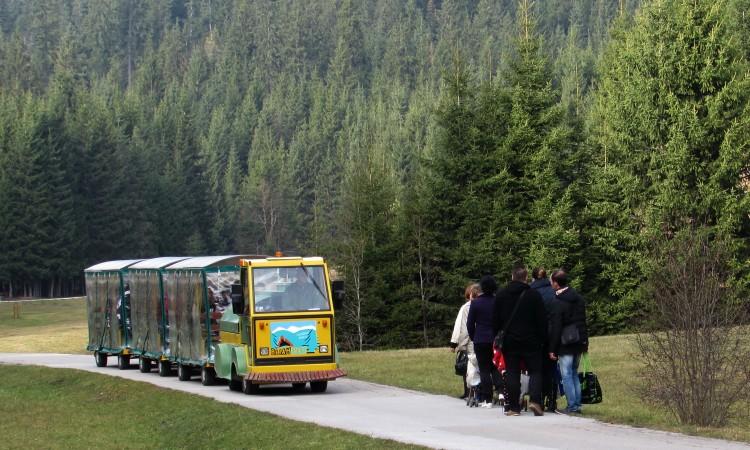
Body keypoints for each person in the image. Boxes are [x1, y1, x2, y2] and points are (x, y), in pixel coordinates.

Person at [493, 266, 547, 416]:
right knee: (535, 371)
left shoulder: (502, 295)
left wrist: (498, 336)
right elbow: (542, 320)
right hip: (531, 339)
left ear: (512, 277)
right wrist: (542, 338)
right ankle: (535, 401)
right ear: (526, 278)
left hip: (510, 340)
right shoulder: (533, 295)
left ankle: (514, 407)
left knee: (512, 372)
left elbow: (495, 320)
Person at [548, 269, 589, 414]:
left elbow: (556, 327)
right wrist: (585, 342)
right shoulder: (578, 298)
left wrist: (552, 348)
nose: (550, 284)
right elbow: (583, 322)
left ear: (557, 284)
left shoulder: (557, 301)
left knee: (566, 375)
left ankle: (572, 405)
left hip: (565, 342)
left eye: (551, 282)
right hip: (578, 340)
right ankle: (577, 404)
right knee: (574, 373)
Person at [466, 275, 498, 408]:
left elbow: (469, 323)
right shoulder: (497, 302)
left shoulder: (476, 303)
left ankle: (488, 398)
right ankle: (501, 392)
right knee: (495, 366)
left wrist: (474, 336)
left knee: (484, 369)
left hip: (480, 338)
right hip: (494, 339)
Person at [531, 267, 558, 412]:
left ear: (533, 278)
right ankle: (552, 399)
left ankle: (538, 398)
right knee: (552, 367)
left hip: (536, 334)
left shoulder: (530, 292)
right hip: (552, 333)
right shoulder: (553, 292)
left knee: (537, 367)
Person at [450, 283, 480, 399]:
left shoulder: (466, 307)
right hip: (481, 339)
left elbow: (459, 327)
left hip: (470, 341)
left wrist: (454, 343)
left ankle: (468, 391)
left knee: (469, 366)